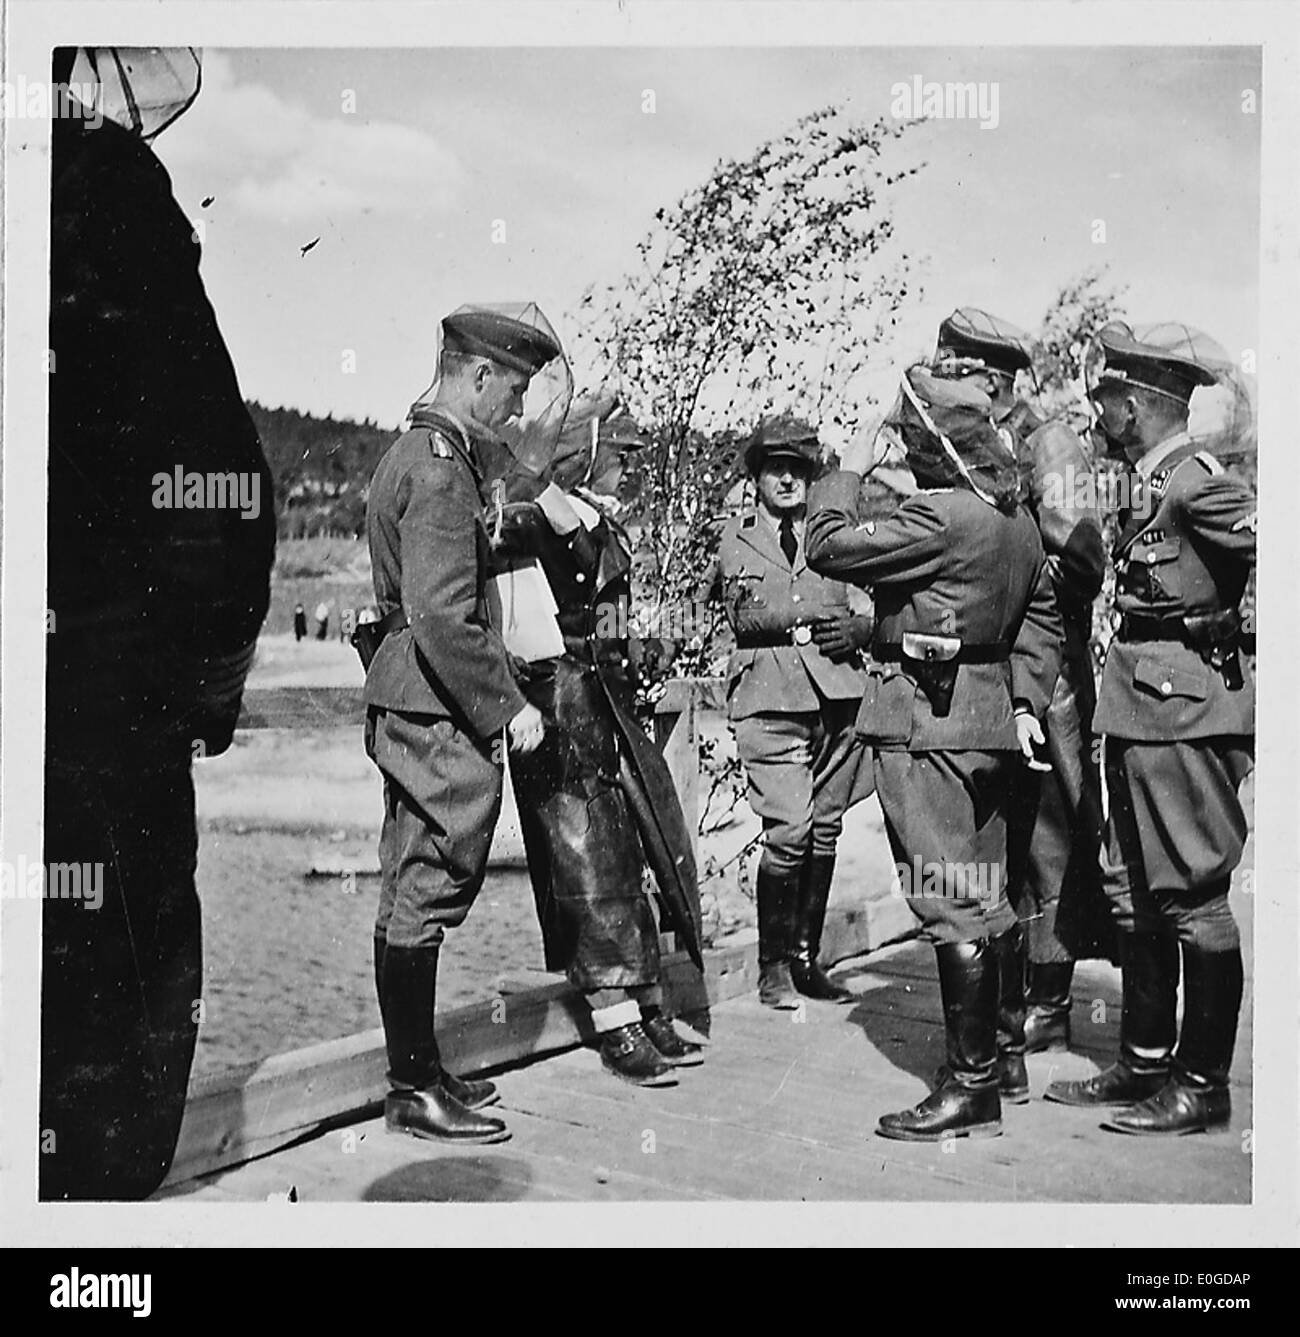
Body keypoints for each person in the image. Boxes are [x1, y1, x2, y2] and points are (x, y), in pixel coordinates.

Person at [43, 47, 275, 1199]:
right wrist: (198, 687)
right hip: (84, 719)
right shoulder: (96, 181)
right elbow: (218, 486)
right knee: (99, 1063)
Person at [807, 369, 1062, 1141]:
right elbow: (1042, 613)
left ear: (933, 446)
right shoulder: (1012, 519)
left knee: (948, 898)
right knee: (987, 890)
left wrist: (848, 464)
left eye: (911, 438)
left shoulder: (941, 515)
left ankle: (970, 1085)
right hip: (985, 723)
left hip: (927, 722)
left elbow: (825, 544)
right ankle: (1002, 1056)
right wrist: (1024, 699)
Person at [1045, 323, 1256, 1135]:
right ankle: (1142, 1063)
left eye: (1105, 398)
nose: (1097, 411)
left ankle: (1202, 1083)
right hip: (1135, 709)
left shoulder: (1197, 483)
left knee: (1195, 895)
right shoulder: (1146, 481)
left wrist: (1230, 615)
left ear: (1134, 405)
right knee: (1133, 892)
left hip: (1187, 711)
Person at [361, 304, 560, 1145]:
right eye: (512, 391)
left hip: (415, 698)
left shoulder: (417, 451)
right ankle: (411, 1085)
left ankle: (419, 1071)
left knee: (415, 876)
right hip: (436, 705)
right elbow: (443, 615)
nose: (515, 411)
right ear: (478, 376)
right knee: (429, 880)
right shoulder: (442, 470)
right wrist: (508, 706)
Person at [492, 400, 706, 1085]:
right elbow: (501, 544)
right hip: (559, 705)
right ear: (584, 454)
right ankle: (616, 1020)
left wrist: (642, 649)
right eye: (620, 454)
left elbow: (606, 614)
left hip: (602, 699)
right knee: (584, 859)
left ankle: (642, 1003)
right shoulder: (534, 515)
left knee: (627, 854)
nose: (630, 469)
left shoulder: (594, 519)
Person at [932, 309, 1109, 1073]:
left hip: (1047, 662)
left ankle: (1050, 1003)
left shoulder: (1049, 443)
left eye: (957, 369)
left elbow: (1083, 560)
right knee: (994, 833)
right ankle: (1008, 1004)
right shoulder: (970, 443)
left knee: (1052, 832)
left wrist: (1015, 580)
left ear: (993, 378)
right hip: (988, 667)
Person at [700, 416, 874, 1009]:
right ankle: (773, 964)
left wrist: (860, 627)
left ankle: (805, 960)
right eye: (776, 468)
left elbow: (868, 599)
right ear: (756, 478)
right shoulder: (737, 537)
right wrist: (810, 620)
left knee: (826, 827)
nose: (788, 479)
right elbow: (745, 612)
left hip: (837, 694)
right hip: (769, 699)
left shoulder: (834, 532)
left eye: (799, 468)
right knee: (791, 829)